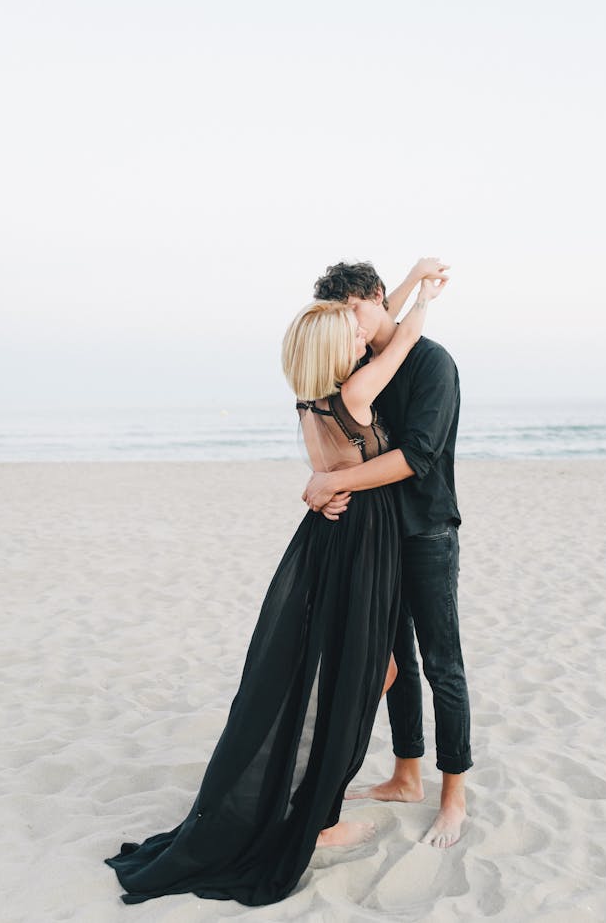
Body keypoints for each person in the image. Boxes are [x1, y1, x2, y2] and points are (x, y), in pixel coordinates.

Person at [104, 267, 445, 907]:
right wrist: (423, 295)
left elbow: (372, 321)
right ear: (335, 348)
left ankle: (317, 794)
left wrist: (393, 288)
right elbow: (399, 339)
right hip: (361, 539)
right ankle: (319, 812)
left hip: (329, 539)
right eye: (348, 334)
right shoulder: (356, 396)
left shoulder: (312, 397)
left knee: (365, 669)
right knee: (364, 671)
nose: (359, 339)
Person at [304, 258, 472, 849]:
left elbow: (419, 455)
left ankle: (453, 795)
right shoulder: (357, 362)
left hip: (425, 529)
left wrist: (336, 485)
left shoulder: (430, 361)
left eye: (356, 311)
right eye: (341, 317)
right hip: (373, 536)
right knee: (391, 658)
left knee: (441, 665)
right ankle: (406, 775)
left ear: (376, 298)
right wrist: (326, 485)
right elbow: (334, 441)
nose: (350, 325)